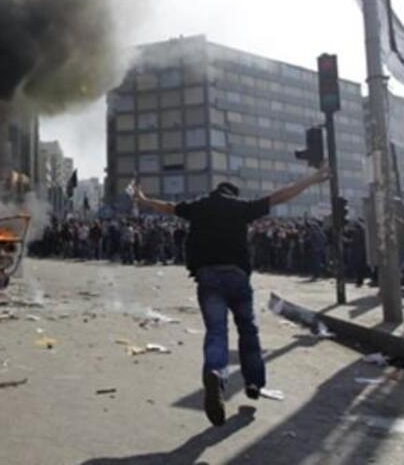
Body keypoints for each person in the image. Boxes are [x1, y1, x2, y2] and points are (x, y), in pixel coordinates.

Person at [132, 165, 330, 426]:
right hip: (237, 277)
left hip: (207, 277)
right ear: (233, 194)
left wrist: (144, 200)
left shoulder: (200, 206)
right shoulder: (240, 208)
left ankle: (215, 372)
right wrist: (312, 179)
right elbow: (279, 197)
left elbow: (169, 207)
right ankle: (254, 383)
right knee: (248, 330)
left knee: (216, 330)